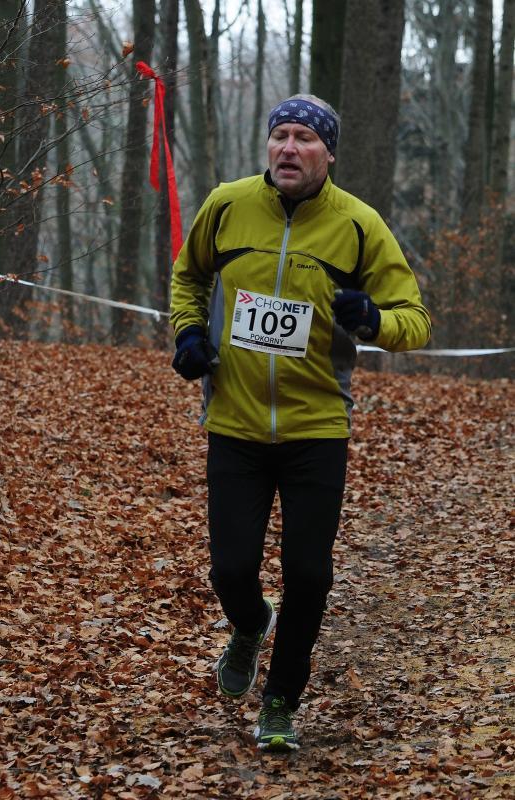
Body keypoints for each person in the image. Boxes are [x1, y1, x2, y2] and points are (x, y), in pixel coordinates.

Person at [169, 94, 430, 752]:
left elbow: (415, 321)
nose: (289, 147)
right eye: (280, 134)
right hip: (235, 423)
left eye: (304, 138)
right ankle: (251, 623)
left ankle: (281, 701)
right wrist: (189, 332)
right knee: (231, 570)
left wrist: (373, 320)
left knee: (309, 575)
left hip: (316, 428)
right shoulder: (227, 205)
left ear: (329, 153)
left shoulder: (359, 225)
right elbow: (188, 276)